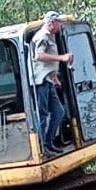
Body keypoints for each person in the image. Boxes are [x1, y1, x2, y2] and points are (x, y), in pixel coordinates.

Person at [31, 11, 72, 155]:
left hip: (48, 80)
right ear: (51, 23)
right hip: (40, 82)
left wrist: (55, 79)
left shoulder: (50, 36)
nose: (60, 25)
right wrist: (62, 58)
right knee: (42, 115)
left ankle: (49, 142)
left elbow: (47, 65)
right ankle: (42, 148)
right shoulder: (42, 36)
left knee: (59, 112)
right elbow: (39, 56)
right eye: (58, 22)